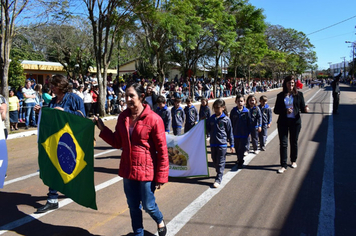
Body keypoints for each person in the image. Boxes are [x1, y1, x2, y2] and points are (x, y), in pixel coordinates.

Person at [94, 83, 168, 236]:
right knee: (133, 206)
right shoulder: (123, 117)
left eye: (131, 96)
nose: (127, 99)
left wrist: (161, 176)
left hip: (146, 170)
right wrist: (102, 128)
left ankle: (159, 220)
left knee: (148, 205)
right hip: (127, 168)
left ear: (141, 97)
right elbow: (117, 142)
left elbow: (162, 150)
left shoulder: (154, 119)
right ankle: (138, 233)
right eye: (126, 95)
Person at [34, 74, 86, 213]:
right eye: (51, 85)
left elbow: (82, 117)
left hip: (70, 140)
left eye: (53, 85)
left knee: (70, 167)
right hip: (55, 140)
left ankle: (75, 187)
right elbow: (50, 118)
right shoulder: (52, 101)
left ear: (61, 85)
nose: (51, 87)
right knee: (53, 167)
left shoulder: (74, 98)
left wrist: (65, 111)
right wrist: (41, 112)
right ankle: (52, 199)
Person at [274, 76, 309, 174]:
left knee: (294, 142)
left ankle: (293, 160)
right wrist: (285, 111)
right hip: (283, 122)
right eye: (289, 83)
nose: (291, 85)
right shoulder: (280, 95)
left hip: (295, 122)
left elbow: (302, 108)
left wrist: (306, 110)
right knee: (283, 143)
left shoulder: (299, 95)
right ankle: (283, 165)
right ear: (285, 84)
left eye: (293, 83)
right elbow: (276, 110)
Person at [206, 99, 234, 188]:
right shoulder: (211, 118)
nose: (216, 110)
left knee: (221, 161)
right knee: (215, 161)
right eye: (214, 108)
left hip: (222, 144)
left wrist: (232, 145)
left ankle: (218, 178)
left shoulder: (226, 119)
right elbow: (207, 129)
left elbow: (230, 133)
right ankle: (219, 172)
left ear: (223, 108)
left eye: (218, 108)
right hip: (213, 144)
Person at [230, 93, 250, 168]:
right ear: (236, 102)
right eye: (238, 101)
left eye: (241, 101)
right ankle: (239, 158)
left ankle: (240, 161)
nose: (240, 103)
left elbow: (249, 122)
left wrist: (249, 132)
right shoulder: (233, 111)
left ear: (244, 102)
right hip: (235, 133)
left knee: (241, 148)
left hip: (244, 134)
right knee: (237, 148)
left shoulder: (247, 111)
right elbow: (231, 122)